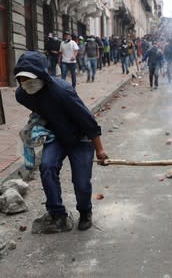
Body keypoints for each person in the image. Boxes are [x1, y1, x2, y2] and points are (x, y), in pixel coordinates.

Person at [14, 51, 108, 233]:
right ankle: (57, 213)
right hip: (56, 135)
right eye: (21, 79)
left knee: (81, 181)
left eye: (30, 78)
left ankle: (85, 212)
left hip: (80, 137)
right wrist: (38, 122)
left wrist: (100, 150)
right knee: (47, 167)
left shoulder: (62, 91)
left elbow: (88, 121)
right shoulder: (22, 95)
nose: (25, 83)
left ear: (43, 75)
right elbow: (40, 108)